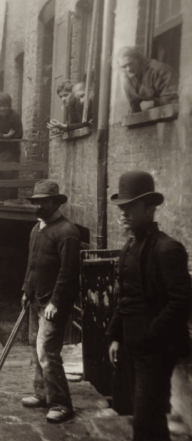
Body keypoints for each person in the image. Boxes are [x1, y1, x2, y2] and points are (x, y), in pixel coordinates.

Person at [106, 171, 191, 441]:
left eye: (132, 207)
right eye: (122, 208)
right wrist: (117, 336)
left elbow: (181, 302)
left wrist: (151, 336)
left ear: (150, 209)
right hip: (133, 345)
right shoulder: (129, 248)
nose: (124, 214)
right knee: (144, 418)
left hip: (157, 349)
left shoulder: (168, 249)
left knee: (146, 418)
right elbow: (125, 297)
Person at [21, 180, 80, 424]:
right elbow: (31, 264)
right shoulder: (37, 229)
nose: (38, 206)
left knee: (47, 351)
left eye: (43, 202)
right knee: (36, 345)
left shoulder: (67, 232)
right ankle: (42, 393)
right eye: (36, 202)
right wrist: (26, 289)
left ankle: (61, 404)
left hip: (53, 303)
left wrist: (56, 301)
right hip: (36, 297)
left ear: (56, 202)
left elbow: (68, 272)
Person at [116, 46, 178, 113]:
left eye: (131, 63)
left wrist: (153, 103)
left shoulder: (159, 71)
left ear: (139, 59)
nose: (129, 69)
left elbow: (172, 101)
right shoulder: (127, 80)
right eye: (124, 66)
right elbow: (135, 109)